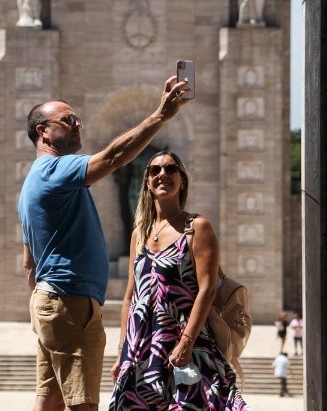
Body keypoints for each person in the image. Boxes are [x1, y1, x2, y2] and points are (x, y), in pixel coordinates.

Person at [19, 75, 191, 411]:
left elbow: (29, 262)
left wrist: (47, 303)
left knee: (50, 400)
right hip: (70, 301)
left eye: (78, 120)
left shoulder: (31, 182)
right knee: (82, 404)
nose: (77, 126)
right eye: (68, 121)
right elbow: (113, 158)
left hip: (51, 300)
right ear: (43, 131)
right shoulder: (55, 170)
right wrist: (161, 115)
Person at [109, 152, 249, 410]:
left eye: (171, 169)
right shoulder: (139, 234)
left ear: (182, 180)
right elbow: (130, 296)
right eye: (155, 170)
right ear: (147, 183)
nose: (163, 174)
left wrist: (186, 343)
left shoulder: (196, 227)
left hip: (185, 340)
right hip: (141, 346)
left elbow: (206, 290)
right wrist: (121, 351)